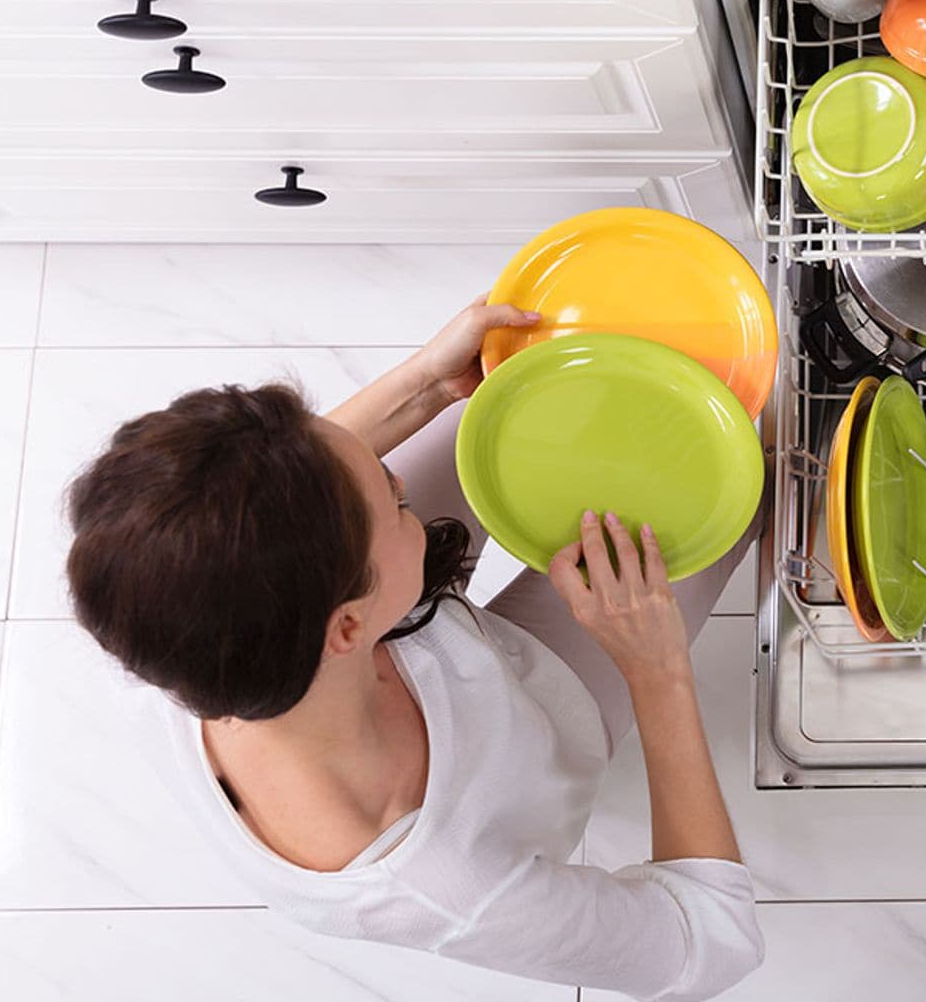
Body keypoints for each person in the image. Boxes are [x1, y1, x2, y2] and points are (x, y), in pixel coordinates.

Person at [63, 297, 764, 1000]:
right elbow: (707, 943)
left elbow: (272, 497)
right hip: (541, 719)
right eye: (394, 502)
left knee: (518, 390)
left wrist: (424, 384)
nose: (402, 485)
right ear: (347, 627)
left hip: (423, 641)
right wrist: (657, 669)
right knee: (735, 493)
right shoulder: (443, 884)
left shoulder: (164, 599)